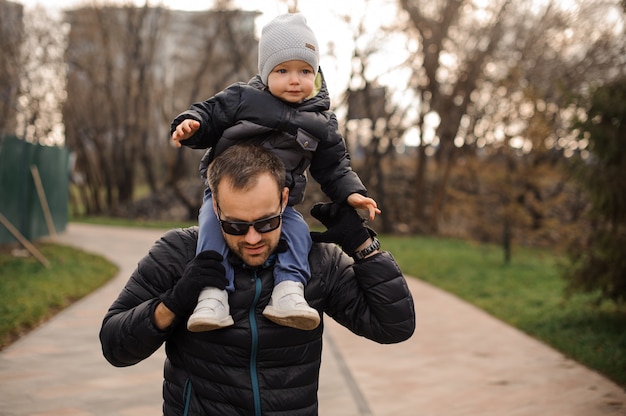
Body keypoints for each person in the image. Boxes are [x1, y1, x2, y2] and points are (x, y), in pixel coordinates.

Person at [99, 144, 415, 415]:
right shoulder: (179, 253)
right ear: (215, 208)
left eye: (265, 222)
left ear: (283, 199)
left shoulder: (316, 261)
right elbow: (115, 346)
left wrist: (363, 246)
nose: (252, 238)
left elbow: (393, 326)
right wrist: (173, 303)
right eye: (235, 225)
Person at [170, 13, 380, 333]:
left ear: (316, 74)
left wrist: (353, 193)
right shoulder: (243, 98)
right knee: (212, 226)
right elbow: (208, 114)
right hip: (228, 193)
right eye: (282, 71)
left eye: (304, 71)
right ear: (266, 73)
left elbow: (335, 165)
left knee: (296, 232)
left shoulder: (321, 122)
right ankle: (212, 295)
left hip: (277, 204)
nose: (294, 80)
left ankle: (288, 291)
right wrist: (190, 126)